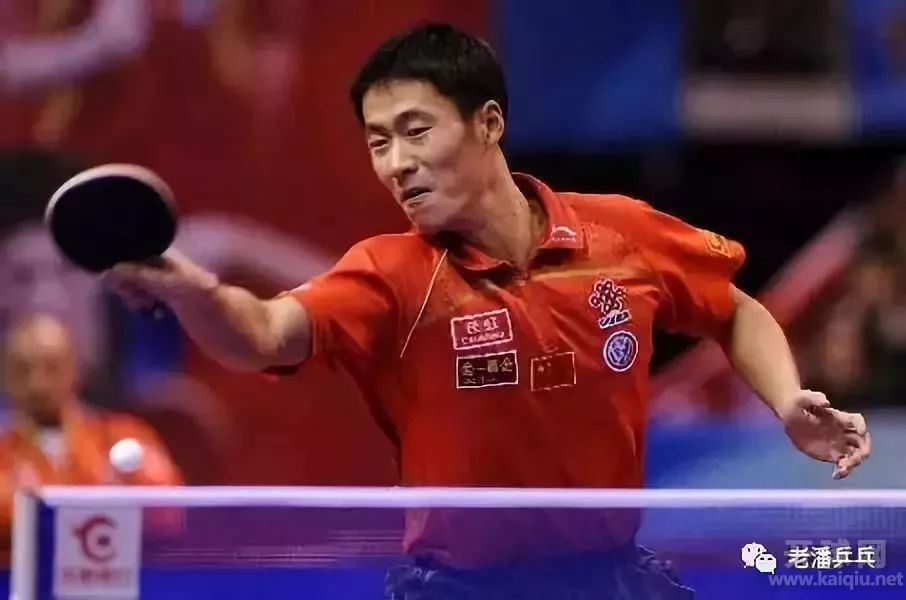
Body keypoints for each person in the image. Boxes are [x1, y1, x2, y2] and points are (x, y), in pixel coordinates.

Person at [106, 23, 872, 600]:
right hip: (463, 588)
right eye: (378, 143)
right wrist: (194, 290)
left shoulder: (620, 234)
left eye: (415, 131)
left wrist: (785, 401)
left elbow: (732, 309)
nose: (397, 164)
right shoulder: (390, 274)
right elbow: (262, 333)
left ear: (489, 123)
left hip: (607, 577)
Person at [0, 314, 182, 563]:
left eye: (51, 368)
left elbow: (168, 513)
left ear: (74, 369)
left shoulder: (124, 436)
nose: (38, 384)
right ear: (6, 378)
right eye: (23, 370)